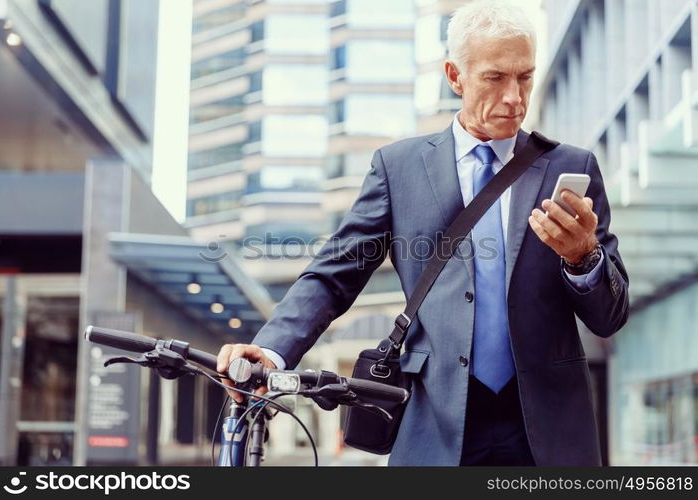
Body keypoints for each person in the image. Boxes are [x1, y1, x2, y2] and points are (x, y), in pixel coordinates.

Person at [216, 1, 629, 466]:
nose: (514, 96)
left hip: (548, 429)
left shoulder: (572, 168)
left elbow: (610, 317)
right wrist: (272, 350)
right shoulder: (399, 169)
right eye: (495, 78)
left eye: (524, 77)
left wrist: (584, 258)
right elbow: (334, 275)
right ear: (455, 76)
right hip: (436, 421)